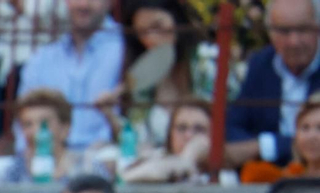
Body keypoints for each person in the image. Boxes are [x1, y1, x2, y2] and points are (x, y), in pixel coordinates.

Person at [16, 0, 125, 151]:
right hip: (48, 162)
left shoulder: (127, 49)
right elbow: (22, 124)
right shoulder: (42, 59)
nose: (83, 5)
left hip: (108, 160)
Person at [224, 0, 320, 169]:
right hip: (267, 180)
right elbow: (233, 127)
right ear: (270, 34)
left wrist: (269, 146)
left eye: (303, 29)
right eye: (284, 31)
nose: (294, 41)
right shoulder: (261, 65)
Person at [113, 0, 215, 148]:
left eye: (158, 26)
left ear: (176, 19)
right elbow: (135, 139)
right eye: (143, 33)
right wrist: (109, 113)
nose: (152, 38)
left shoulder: (207, 60)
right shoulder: (142, 78)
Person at [0, 88, 99, 182]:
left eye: (44, 124)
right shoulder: (14, 172)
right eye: (28, 124)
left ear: (65, 128)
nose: (36, 131)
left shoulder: (88, 167)